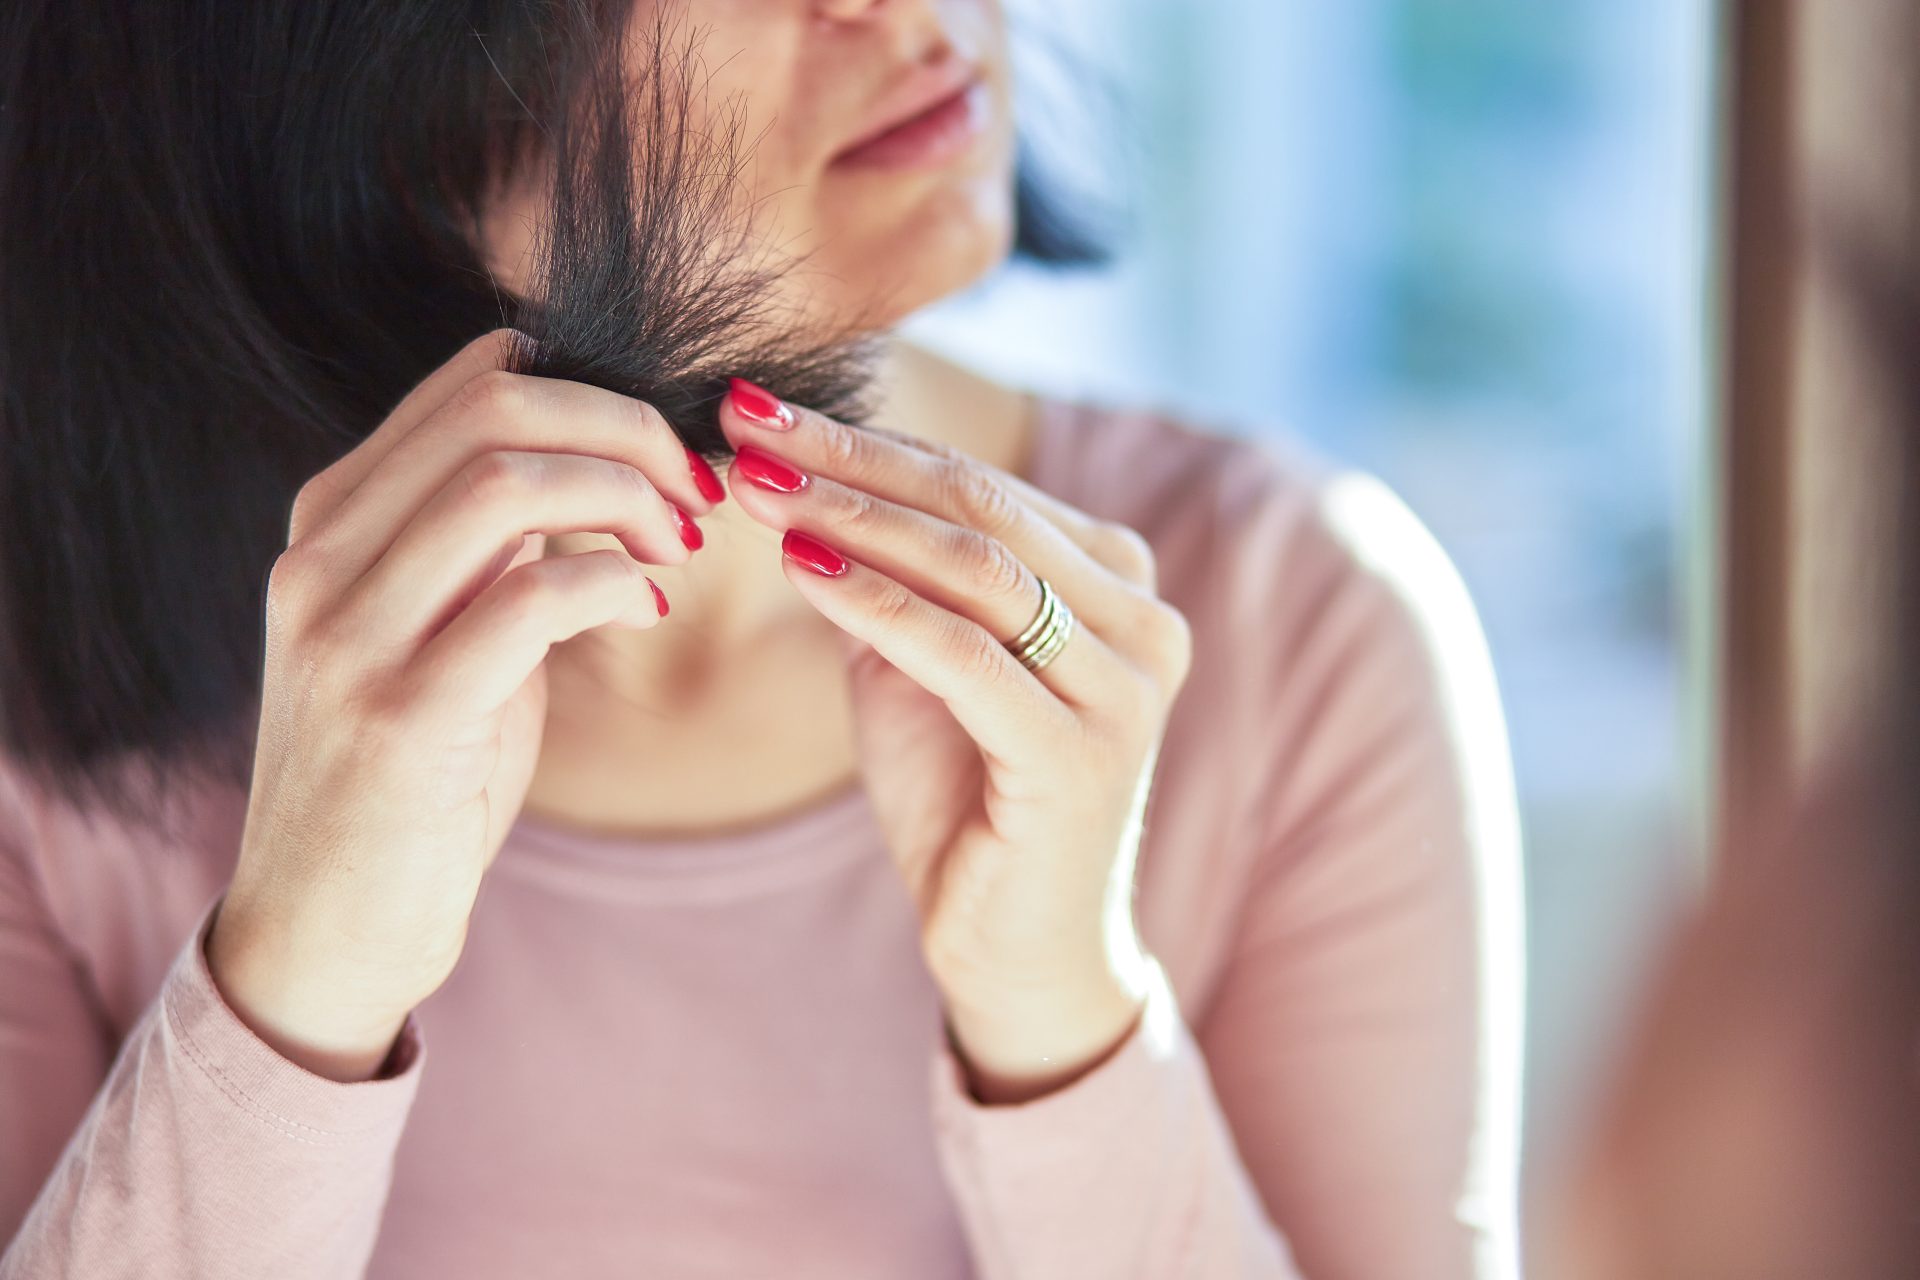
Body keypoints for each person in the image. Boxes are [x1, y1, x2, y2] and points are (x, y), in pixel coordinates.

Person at [0, 2, 1523, 1276]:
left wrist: (1069, 1021)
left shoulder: (1300, 619)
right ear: (379, 101)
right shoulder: (52, 717)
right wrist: (285, 1000)